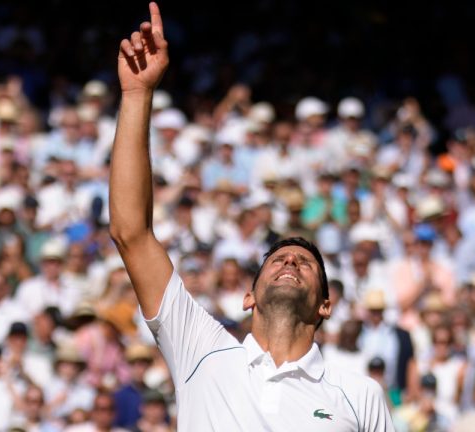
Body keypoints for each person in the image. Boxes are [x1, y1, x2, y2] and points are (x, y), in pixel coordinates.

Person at [109, 4, 393, 430]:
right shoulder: (200, 349)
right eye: (277, 260)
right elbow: (131, 232)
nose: (290, 261)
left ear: (326, 305)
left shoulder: (359, 393)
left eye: (306, 263)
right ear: (248, 297)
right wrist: (136, 96)